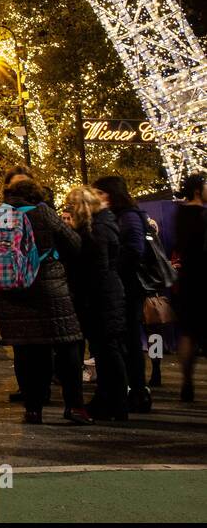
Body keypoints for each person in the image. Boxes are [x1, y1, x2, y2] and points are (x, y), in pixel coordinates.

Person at [0, 175, 89, 425]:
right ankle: (74, 406)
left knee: (27, 352)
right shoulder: (44, 213)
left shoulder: (2, 215)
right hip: (49, 288)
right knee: (67, 347)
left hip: (14, 292)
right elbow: (74, 244)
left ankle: (33, 408)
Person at [62, 186, 129, 420]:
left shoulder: (96, 230)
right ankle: (111, 400)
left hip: (100, 298)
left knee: (107, 350)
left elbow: (96, 268)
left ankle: (115, 402)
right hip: (106, 295)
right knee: (106, 351)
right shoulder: (104, 225)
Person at [93, 175, 153, 413]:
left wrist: (114, 268)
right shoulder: (119, 216)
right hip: (121, 285)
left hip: (128, 287)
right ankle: (132, 389)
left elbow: (135, 249)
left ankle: (138, 390)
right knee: (123, 339)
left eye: (99, 194)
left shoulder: (129, 216)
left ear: (110, 194)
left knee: (128, 338)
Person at [172, 173, 205, 404]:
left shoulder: (180, 214)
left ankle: (186, 381)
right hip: (204, 277)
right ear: (197, 190)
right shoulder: (204, 214)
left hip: (187, 279)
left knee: (187, 332)